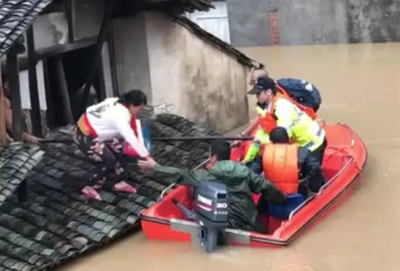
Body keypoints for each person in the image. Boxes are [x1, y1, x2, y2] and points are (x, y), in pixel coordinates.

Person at [138, 140, 287, 233]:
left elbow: (182, 175)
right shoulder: (245, 171)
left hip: (228, 225)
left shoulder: (210, 173)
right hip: (251, 221)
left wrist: (156, 167)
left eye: (210, 156)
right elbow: (265, 186)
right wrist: (283, 199)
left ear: (214, 157)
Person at [74, 89, 154, 201]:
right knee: (109, 159)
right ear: (132, 105)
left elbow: (136, 131)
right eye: (140, 108)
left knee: (121, 149)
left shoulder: (120, 103)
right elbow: (131, 138)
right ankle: (86, 185)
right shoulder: (120, 116)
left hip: (100, 131)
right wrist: (147, 157)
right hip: (85, 133)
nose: (140, 111)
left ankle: (120, 181)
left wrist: (145, 153)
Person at [242, 77, 327, 179]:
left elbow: (284, 136)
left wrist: (262, 140)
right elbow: (260, 136)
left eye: (258, 94)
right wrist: (247, 159)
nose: (256, 97)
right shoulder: (263, 109)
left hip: (311, 140)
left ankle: (316, 189)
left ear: (268, 92)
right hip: (295, 141)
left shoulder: (282, 106)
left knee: (308, 168)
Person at [251, 127, 324, 197]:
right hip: (297, 192)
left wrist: (261, 187)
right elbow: (315, 168)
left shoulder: (264, 153)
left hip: (272, 195)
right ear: (288, 139)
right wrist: (315, 189)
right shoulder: (300, 151)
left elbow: (252, 172)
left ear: (271, 141)